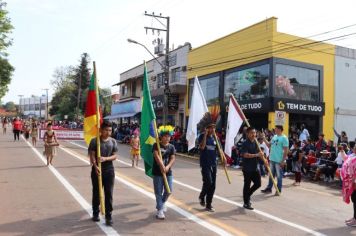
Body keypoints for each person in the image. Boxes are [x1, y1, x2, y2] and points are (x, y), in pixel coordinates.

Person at [89, 120, 118, 226]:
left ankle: (108, 216)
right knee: (96, 192)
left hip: (109, 170)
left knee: (109, 193)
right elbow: (92, 155)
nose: (108, 132)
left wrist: (105, 158)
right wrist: (95, 166)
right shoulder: (94, 141)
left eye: (110, 130)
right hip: (97, 170)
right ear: (101, 130)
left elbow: (115, 156)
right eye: (106, 130)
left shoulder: (113, 141)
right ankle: (95, 213)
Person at [152, 125, 176, 220]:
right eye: (165, 136)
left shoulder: (171, 147)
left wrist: (167, 167)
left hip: (168, 172)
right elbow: (156, 155)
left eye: (169, 136)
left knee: (169, 190)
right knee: (158, 192)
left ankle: (162, 203)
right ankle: (160, 210)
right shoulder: (156, 144)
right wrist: (161, 166)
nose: (167, 138)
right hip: (157, 172)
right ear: (161, 136)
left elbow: (173, 158)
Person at [198, 114, 218, 212]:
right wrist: (205, 135)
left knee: (213, 185)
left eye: (214, 127)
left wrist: (223, 157)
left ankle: (209, 204)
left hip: (214, 163)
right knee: (208, 182)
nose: (212, 129)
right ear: (207, 128)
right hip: (205, 163)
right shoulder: (202, 136)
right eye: (210, 128)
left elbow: (219, 149)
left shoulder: (215, 138)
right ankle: (202, 196)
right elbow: (202, 147)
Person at [261, 125, 289, 195]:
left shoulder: (284, 138)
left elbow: (286, 150)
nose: (274, 130)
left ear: (279, 129)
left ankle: (278, 190)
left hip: (279, 160)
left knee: (279, 176)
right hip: (272, 159)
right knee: (271, 175)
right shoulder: (274, 136)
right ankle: (269, 188)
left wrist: (283, 161)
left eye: (276, 129)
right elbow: (269, 145)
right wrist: (264, 138)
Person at [240, 127, 263, 210]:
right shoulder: (245, 143)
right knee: (247, 185)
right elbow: (245, 154)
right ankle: (246, 203)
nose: (254, 135)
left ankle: (247, 195)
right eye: (252, 133)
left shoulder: (256, 142)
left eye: (254, 133)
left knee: (258, 184)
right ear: (248, 134)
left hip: (254, 167)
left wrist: (263, 159)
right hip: (247, 168)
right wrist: (257, 155)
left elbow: (259, 153)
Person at [340, 145, 356, 226]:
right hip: (352, 182)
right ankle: (354, 218)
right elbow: (345, 159)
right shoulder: (352, 156)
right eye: (354, 147)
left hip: (354, 182)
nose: (354, 148)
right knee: (354, 199)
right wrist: (342, 151)